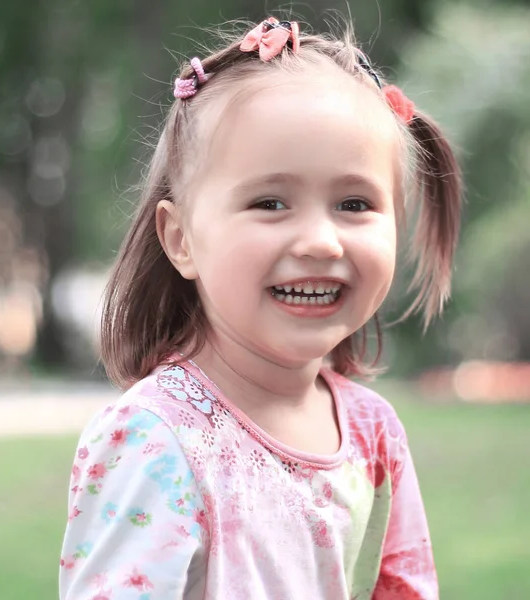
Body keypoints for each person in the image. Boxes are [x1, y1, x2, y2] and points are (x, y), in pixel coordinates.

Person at [59, 16, 461, 600]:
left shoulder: (374, 434)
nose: (321, 241)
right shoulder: (159, 436)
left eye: (354, 202)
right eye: (270, 202)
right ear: (181, 240)